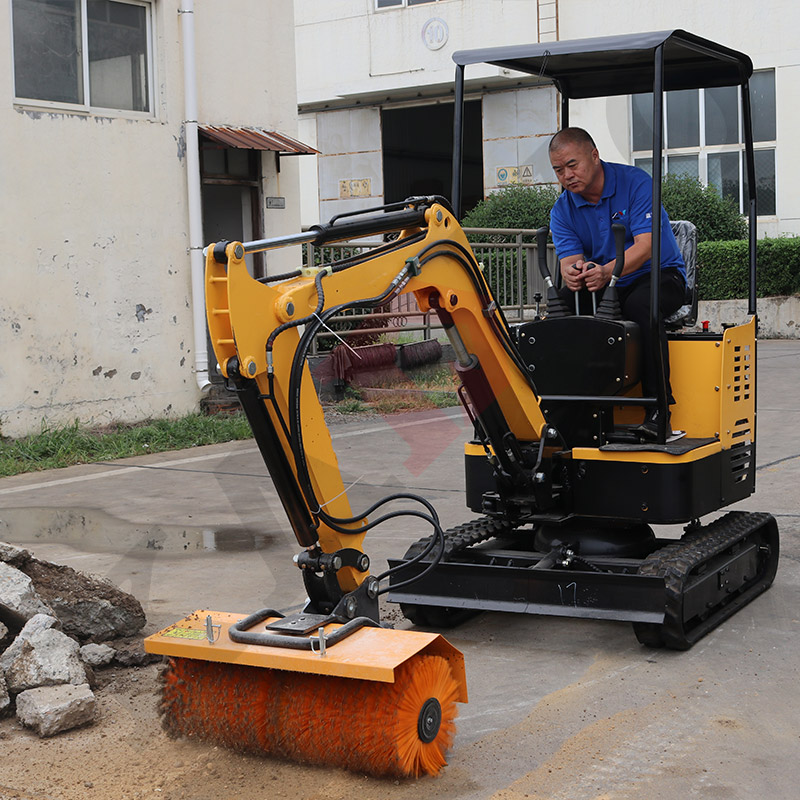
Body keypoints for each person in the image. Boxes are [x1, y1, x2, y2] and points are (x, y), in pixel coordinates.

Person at [547, 127, 686, 439]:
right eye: (558, 170)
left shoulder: (636, 183)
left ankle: (659, 409)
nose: (567, 176)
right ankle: (568, 410)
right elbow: (570, 260)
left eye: (573, 165)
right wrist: (574, 272)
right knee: (559, 311)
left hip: (659, 276)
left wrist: (608, 271)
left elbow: (647, 245)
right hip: (608, 282)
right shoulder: (562, 209)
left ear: (594, 157)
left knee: (641, 305)